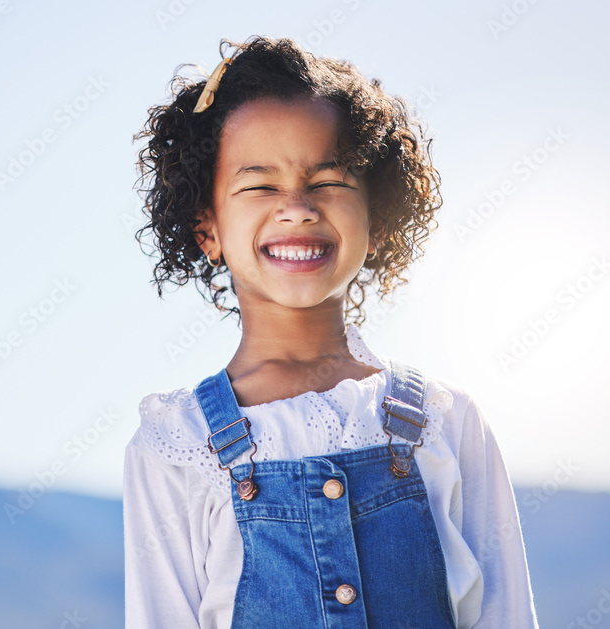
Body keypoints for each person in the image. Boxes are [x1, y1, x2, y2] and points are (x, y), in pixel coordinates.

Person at [123, 35, 539, 628]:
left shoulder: (449, 423)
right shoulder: (176, 445)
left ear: (377, 216)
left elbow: (507, 615)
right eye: (259, 185)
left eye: (329, 181)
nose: (297, 206)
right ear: (207, 228)